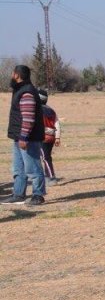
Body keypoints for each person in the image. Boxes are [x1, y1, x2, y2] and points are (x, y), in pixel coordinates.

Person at [5, 64, 46, 206]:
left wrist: (24, 137)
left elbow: (28, 117)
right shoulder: (20, 90)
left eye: (12, 73)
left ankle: (38, 195)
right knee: (19, 168)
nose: (11, 75)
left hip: (28, 138)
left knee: (33, 168)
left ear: (17, 75)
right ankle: (18, 194)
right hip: (19, 136)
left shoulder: (26, 92)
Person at [37, 89, 59, 182]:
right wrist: (57, 137)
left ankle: (51, 177)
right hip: (52, 137)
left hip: (42, 137)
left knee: (45, 158)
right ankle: (46, 175)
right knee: (47, 156)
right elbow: (57, 124)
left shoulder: (37, 111)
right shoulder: (51, 110)